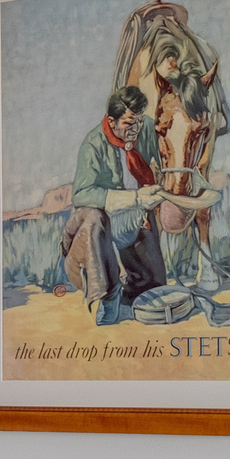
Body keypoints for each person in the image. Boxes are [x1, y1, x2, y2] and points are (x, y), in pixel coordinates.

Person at [63, 86, 213, 319]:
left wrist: (195, 181)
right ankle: (107, 293)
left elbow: (170, 154)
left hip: (136, 216)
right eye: (129, 124)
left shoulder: (144, 129)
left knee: (155, 286)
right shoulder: (93, 145)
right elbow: (81, 194)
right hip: (102, 223)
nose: (137, 130)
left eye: (140, 122)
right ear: (112, 122)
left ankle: (134, 284)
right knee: (93, 218)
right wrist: (134, 198)